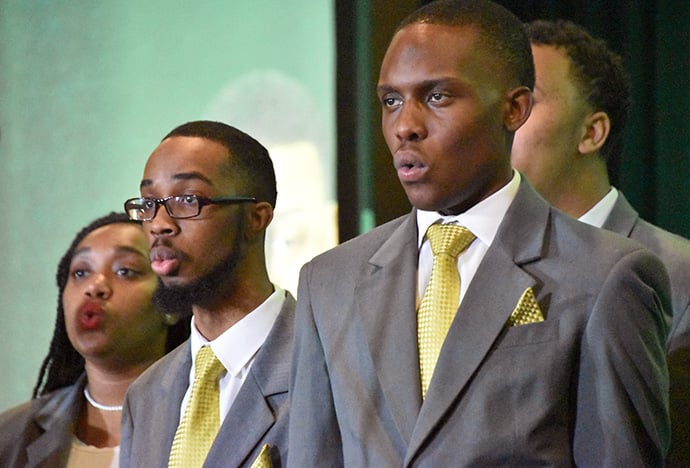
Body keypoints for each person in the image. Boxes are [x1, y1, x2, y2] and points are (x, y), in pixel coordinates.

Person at [287, 0, 671, 465]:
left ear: (514, 108)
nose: (405, 126)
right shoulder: (328, 281)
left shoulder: (605, 276)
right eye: (391, 100)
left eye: (437, 97)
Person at [511, 19, 690, 466]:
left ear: (591, 133)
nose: (506, 116)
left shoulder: (679, 273)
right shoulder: (472, 265)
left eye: (528, 98)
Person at [120, 120, 295, 467]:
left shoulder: (326, 363)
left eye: (188, 199)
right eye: (149, 202)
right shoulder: (146, 395)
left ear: (256, 218)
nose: (159, 223)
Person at [0, 212, 190, 467]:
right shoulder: (11, 435)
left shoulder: (210, 416)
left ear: (171, 305)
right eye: (80, 273)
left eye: (125, 271)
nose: (95, 286)